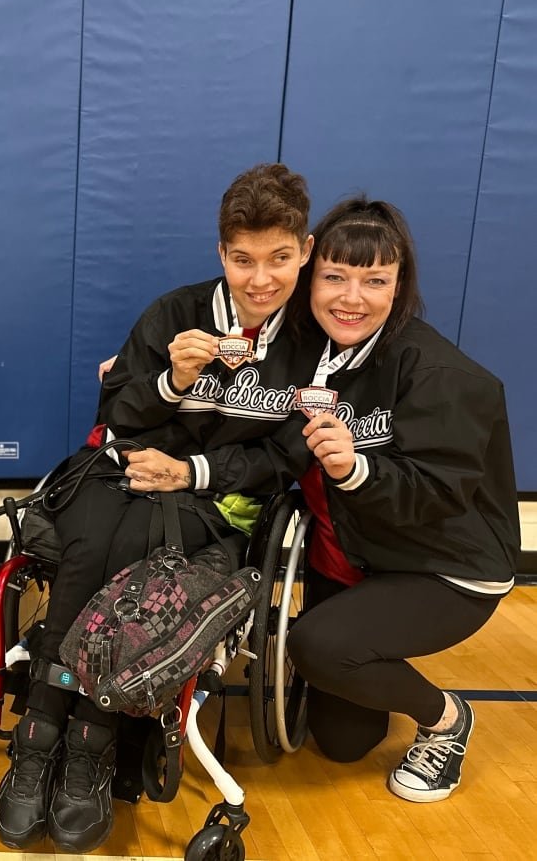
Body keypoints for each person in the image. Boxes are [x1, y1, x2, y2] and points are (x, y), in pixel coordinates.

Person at [0, 163, 323, 852]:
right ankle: (46, 737)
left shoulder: (311, 347)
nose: (260, 278)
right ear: (221, 254)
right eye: (242, 259)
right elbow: (113, 411)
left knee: (129, 541)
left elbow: (283, 458)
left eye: (279, 259)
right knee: (96, 536)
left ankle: (78, 736)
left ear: (307, 250)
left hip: (209, 501)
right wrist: (172, 379)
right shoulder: (176, 313)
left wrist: (192, 469)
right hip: (116, 475)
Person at [181, 198, 519, 802]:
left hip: (445, 565)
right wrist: (156, 375)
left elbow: (440, 495)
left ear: (399, 287)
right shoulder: (309, 350)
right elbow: (233, 357)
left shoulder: (442, 375)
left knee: (319, 648)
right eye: (335, 276)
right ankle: (349, 648)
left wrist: (357, 469)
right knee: (342, 742)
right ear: (312, 274)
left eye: (375, 281)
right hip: (356, 554)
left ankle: (446, 720)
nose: (351, 298)